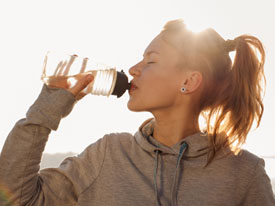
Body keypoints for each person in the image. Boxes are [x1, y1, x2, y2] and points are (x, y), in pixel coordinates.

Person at [0, 19, 274, 206]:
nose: (133, 69)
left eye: (151, 60)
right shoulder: (108, 154)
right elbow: (14, 199)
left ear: (189, 81)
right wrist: (50, 104)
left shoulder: (244, 173)